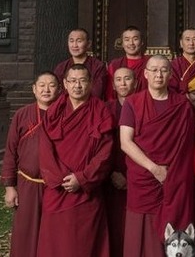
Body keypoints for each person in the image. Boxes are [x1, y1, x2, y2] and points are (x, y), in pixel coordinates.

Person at [120, 55, 195, 257]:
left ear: (171, 74)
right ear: (145, 74)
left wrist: (172, 173)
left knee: (175, 229)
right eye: (154, 70)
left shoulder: (182, 105)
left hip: (175, 180)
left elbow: (188, 147)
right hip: (143, 177)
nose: (158, 74)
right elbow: (125, 142)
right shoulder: (133, 103)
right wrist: (155, 169)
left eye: (164, 70)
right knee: (142, 230)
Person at [37, 64, 116, 257]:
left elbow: (106, 153)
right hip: (57, 189)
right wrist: (60, 178)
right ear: (65, 83)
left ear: (90, 83)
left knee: (84, 244)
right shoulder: (55, 111)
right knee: (55, 243)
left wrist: (82, 178)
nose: (77, 86)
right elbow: (45, 148)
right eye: (72, 81)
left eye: (82, 81)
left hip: (87, 191)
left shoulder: (101, 111)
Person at [1, 72, 59, 257]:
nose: (46, 89)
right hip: (27, 183)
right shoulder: (22, 114)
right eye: (42, 85)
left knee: (54, 233)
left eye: (51, 85)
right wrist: (10, 187)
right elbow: (11, 150)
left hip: (56, 187)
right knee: (25, 232)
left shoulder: (63, 114)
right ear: (34, 89)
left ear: (59, 90)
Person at [107, 67, 137, 257]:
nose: (123, 83)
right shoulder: (105, 108)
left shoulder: (142, 105)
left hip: (137, 173)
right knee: (114, 225)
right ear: (113, 84)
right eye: (118, 80)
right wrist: (110, 172)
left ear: (135, 82)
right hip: (111, 174)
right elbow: (100, 145)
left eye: (127, 79)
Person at [55, 28, 110, 102]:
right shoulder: (61, 67)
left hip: (90, 107)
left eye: (79, 41)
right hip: (65, 107)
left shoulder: (98, 66)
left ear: (88, 44)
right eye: (71, 41)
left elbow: (97, 93)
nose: (74, 45)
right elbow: (56, 92)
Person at [108, 26, 148, 100]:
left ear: (142, 42)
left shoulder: (149, 63)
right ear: (122, 43)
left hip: (144, 103)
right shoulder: (114, 65)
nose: (131, 43)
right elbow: (110, 92)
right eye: (127, 40)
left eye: (135, 39)